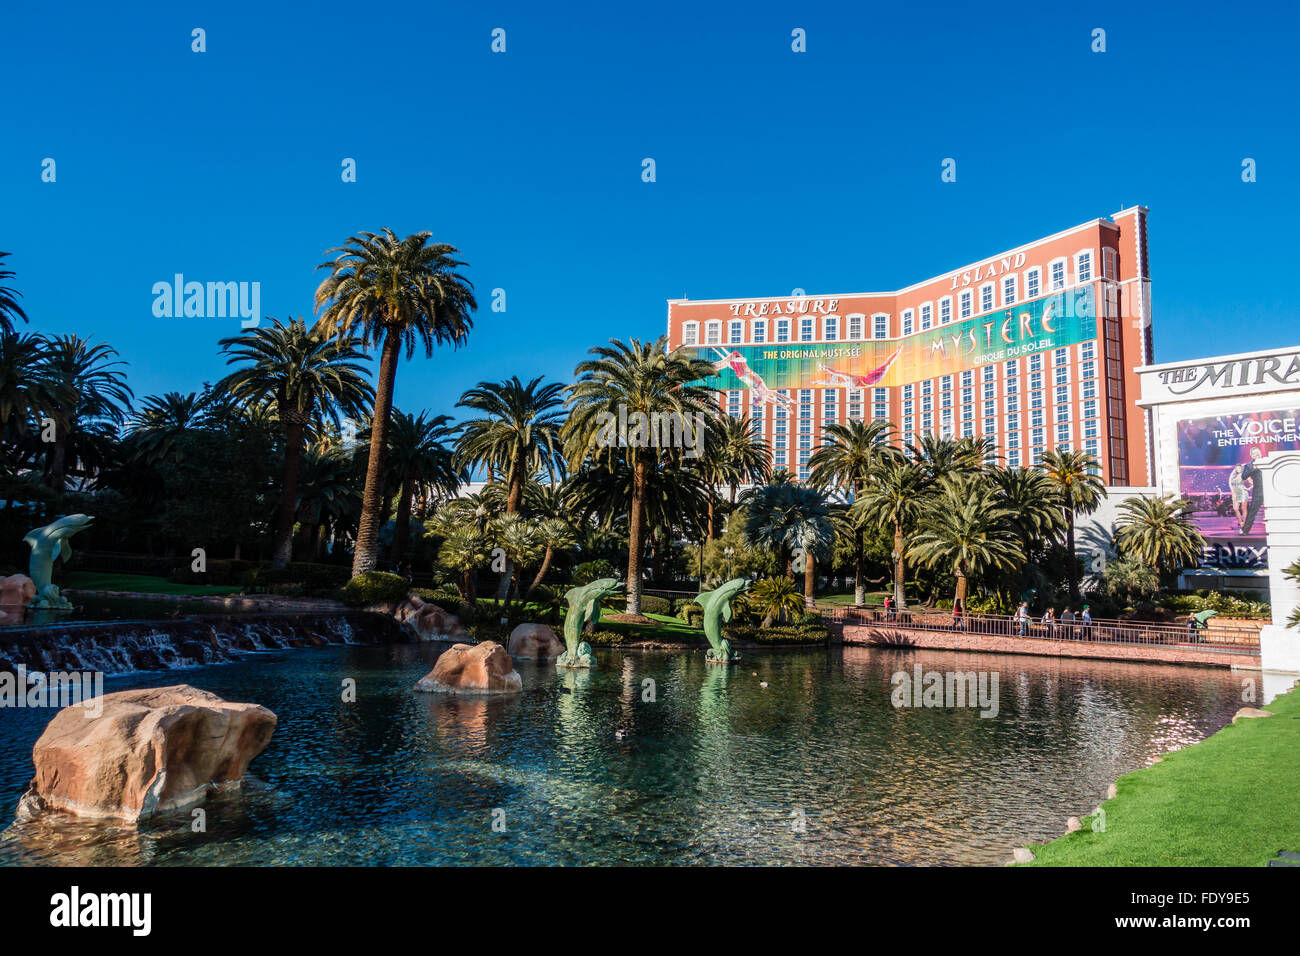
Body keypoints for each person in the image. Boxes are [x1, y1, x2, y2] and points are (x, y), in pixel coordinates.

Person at [1240, 446, 1266, 534]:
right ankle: (1245, 530)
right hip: (1258, 491)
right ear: (1252, 455)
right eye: (1255, 453)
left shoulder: (1267, 461)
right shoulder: (1249, 465)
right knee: (1253, 511)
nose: (1257, 454)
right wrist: (1253, 468)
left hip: (1270, 490)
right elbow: (1244, 476)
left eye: (1258, 452)